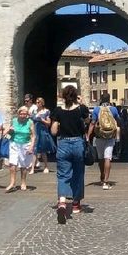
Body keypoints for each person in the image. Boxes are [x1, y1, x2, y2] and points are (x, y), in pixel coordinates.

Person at [51, 84, 89, 224]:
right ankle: (75, 204)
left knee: (63, 174)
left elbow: (54, 131)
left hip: (63, 144)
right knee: (78, 173)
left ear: (62, 96)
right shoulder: (80, 109)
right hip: (78, 143)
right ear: (75, 96)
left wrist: (59, 124)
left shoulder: (58, 111)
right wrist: (80, 103)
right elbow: (87, 121)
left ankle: (61, 202)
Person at [87, 92, 120, 190]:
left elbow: (92, 123)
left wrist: (88, 136)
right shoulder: (113, 109)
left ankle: (102, 175)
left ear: (100, 99)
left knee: (101, 158)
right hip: (110, 137)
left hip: (99, 136)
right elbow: (118, 120)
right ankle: (106, 181)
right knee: (108, 158)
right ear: (109, 99)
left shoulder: (97, 109)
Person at [3, 106, 36, 192]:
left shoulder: (30, 122)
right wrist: (9, 130)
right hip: (14, 143)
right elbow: (5, 134)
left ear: (27, 114)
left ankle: (23, 182)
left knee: (23, 165)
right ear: (18, 114)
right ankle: (12, 183)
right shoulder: (13, 121)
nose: (22, 115)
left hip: (25, 144)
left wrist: (31, 146)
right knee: (12, 163)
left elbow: (33, 136)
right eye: (21, 114)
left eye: (24, 114)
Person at [32, 97, 54, 173]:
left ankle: (46, 166)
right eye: (36, 102)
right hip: (35, 131)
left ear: (42, 103)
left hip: (43, 132)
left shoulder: (46, 111)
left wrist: (42, 120)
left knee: (43, 150)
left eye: (38, 102)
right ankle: (32, 168)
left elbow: (49, 123)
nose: (37, 104)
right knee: (34, 149)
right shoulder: (34, 111)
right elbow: (32, 122)